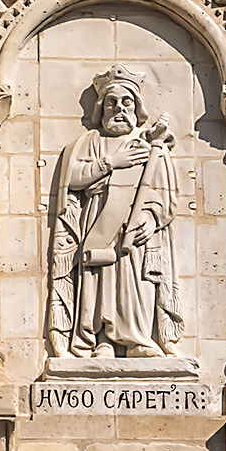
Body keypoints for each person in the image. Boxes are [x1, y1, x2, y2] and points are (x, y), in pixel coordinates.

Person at [48, 64, 183, 359]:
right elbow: (72, 179)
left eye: (127, 102)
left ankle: (137, 339)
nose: (119, 109)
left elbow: (165, 192)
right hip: (98, 219)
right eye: (112, 102)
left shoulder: (149, 147)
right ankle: (102, 341)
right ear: (102, 108)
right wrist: (111, 163)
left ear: (136, 108)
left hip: (135, 230)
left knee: (137, 283)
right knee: (100, 282)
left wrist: (151, 218)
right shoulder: (88, 142)